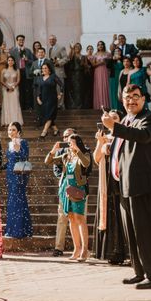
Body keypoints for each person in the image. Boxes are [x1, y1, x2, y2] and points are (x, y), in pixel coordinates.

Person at [102, 84, 151, 289]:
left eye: (136, 97)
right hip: (125, 185)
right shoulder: (129, 119)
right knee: (131, 233)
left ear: (143, 99)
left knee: (145, 233)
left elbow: (143, 136)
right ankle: (140, 272)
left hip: (143, 185)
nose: (131, 100)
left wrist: (115, 127)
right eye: (127, 97)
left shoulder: (148, 118)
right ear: (122, 101)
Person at [48, 134, 91, 261]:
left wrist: (78, 151)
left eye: (72, 143)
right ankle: (76, 249)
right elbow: (48, 161)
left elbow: (86, 163)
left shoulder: (85, 153)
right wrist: (53, 151)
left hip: (79, 190)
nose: (70, 145)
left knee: (80, 218)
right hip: (67, 190)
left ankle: (84, 250)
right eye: (69, 143)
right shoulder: (66, 155)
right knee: (71, 218)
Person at [92, 111, 128, 265]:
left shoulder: (125, 135)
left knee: (121, 216)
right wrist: (100, 142)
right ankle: (110, 252)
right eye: (109, 118)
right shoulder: (104, 137)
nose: (111, 120)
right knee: (108, 214)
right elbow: (96, 159)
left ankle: (125, 251)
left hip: (120, 180)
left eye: (115, 118)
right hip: (105, 181)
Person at [45, 127, 75, 257]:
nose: (66, 139)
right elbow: (51, 164)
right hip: (64, 186)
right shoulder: (61, 152)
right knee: (62, 217)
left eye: (69, 136)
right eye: (64, 137)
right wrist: (53, 150)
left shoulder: (83, 149)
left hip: (78, 187)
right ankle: (59, 247)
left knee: (78, 218)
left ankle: (79, 248)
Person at [4, 121, 32, 238]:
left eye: (13, 130)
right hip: (10, 175)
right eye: (9, 130)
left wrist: (18, 150)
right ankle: (12, 229)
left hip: (19, 175)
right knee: (12, 200)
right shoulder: (10, 143)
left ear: (19, 132)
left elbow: (25, 157)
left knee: (18, 199)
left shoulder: (23, 142)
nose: (11, 132)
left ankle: (19, 230)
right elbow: (9, 161)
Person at [37, 63, 63, 138]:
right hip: (44, 100)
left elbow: (61, 85)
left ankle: (44, 132)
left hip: (52, 99)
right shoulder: (40, 78)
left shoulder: (53, 76)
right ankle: (56, 129)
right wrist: (38, 98)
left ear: (49, 69)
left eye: (46, 68)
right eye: (43, 68)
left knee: (49, 115)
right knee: (47, 116)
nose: (44, 70)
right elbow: (39, 89)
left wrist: (60, 94)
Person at [9, 35, 34, 110]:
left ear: (24, 41)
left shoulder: (28, 50)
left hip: (26, 72)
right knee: (18, 90)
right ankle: (20, 106)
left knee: (27, 89)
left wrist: (27, 60)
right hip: (17, 72)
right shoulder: (13, 51)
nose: (21, 41)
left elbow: (33, 62)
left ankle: (27, 106)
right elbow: (10, 62)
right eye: (19, 40)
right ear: (17, 41)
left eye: (22, 40)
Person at [0, 55, 23, 127]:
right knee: (6, 104)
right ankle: (7, 121)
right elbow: (1, 80)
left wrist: (13, 86)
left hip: (14, 88)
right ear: (7, 61)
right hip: (6, 88)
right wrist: (8, 86)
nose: (10, 62)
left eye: (12, 60)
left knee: (15, 104)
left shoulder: (17, 70)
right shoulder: (4, 70)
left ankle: (15, 121)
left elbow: (18, 80)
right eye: (9, 60)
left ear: (14, 62)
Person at [90, 41, 111, 110]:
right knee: (99, 86)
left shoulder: (108, 54)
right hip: (98, 71)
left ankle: (107, 105)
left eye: (101, 44)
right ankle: (99, 105)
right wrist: (101, 62)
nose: (100, 46)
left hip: (105, 71)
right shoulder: (95, 54)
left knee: (105, 86)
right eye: (99, 45)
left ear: (104, 45)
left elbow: (110, 63)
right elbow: (93, 65)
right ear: (97, 46)